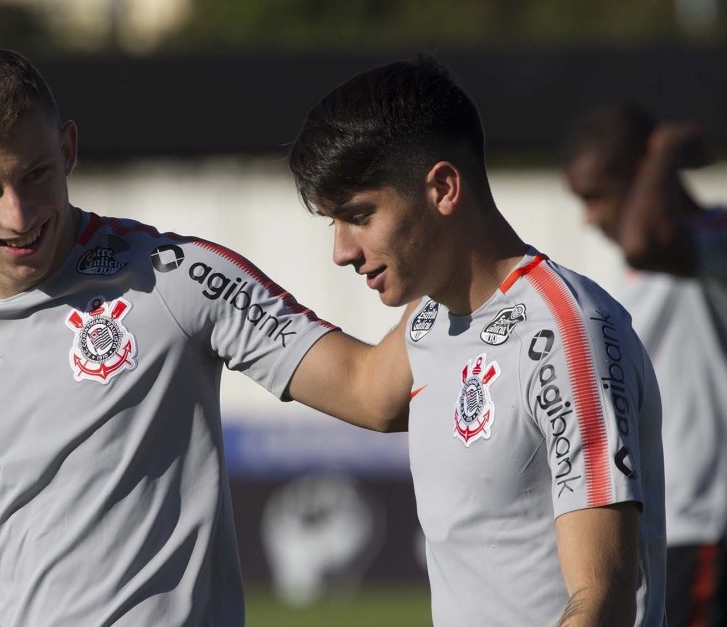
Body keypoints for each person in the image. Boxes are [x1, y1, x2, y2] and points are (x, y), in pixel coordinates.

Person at [0, 48, 413, 626]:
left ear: (68, 150)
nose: (19, 214)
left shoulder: (178, 277)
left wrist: (456, 256)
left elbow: (370, 392)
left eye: (36, 175)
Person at [288, 56, 667, 625]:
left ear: (443, 187)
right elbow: (362, 389)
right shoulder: (429, 318)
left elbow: (602, 600)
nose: (342, 250)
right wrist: (215, 301)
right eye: (333, 224)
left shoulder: (566, 334)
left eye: (359, 216)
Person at [561, 104, 727, 627]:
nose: (590, 217)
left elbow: (645, 240)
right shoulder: (633, 273)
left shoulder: (713, 236)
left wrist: (666, 150)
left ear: (643, 177)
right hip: (661, 532)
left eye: (596, 195)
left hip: (704, 528)